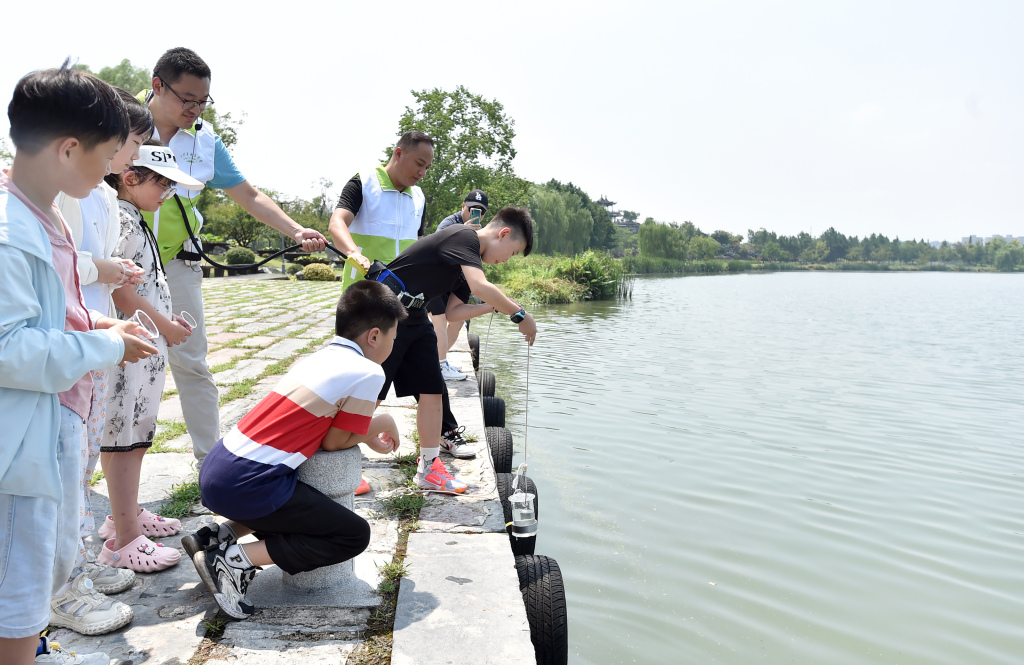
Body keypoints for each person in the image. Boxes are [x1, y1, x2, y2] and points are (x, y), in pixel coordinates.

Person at [0, 63, 157, 665]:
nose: (114, 166)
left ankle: (33, 644)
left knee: (45, 558)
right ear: (70, 149)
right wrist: (106, 346)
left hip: (52, 420)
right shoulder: (12, 233)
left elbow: (51, 314)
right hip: (22, 440)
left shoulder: (45, 218)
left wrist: (98, 323)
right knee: (21, 575)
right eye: (109, 151)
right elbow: (10, 348)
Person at [140, 47, 326, 464]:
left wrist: (296, 229)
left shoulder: (204, 140)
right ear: (158, 86)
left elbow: (248, 194)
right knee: (119, 362)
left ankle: (211, 464)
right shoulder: (117, 119)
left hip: (178, 260)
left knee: (192, 361)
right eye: (187, 99)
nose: (196, 108)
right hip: (122, 261)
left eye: (203, 100)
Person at [186, 281, 406, 619]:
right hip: (249, 484)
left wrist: (363, 434)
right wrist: (383, 421)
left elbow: (330, 433)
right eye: (394, 336)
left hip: (220, 469)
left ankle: (214, 536)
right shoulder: (368, 371)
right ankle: (229, 562)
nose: (394, 344)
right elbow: (334, 442)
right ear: (374, 336)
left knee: (300, 504)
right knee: (352, 534)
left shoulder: (320, 358)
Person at [49, 89, 152, 638]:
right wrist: (103, 269)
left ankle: (77, 565)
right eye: (128, 144)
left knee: (80, 460)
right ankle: (59, 586)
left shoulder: (104, 197)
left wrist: (111, 282)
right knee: (58, 469)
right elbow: (61, 265)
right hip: (65, 346)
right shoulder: (50, 193)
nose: (131, 157)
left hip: (94, 340)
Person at [374, 206, 539, 492]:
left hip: (414, 315)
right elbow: (481, 285)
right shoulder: (465, 237)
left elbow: (453, 312)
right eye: (511, 253)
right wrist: (520, 315)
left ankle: (428, 468)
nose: (505, 261)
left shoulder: (469, 262)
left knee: (433, 390)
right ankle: (338, 455)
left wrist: (494, 306)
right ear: (504, 233)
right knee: (370, 392)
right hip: (383, 311)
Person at [96, 144, 204, 574]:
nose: (168, 191)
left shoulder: (132, 216)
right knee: (125, 436)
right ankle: (125, 539)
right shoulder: (122, 218)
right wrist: (163, 324)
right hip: (130, 344)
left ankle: (123, 513)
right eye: (161, 181)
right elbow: (121, 289)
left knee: (130, 434)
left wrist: (165, 320)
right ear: (130, 176)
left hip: (142, 340)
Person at [429, 189, 489, 382]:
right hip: (433, 277)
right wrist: (464, 230)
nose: (475, 213)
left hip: (454, 282)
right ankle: (439, 365)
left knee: (456, 323)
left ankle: (438, 361)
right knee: (439, 320)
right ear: (463, 206)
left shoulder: (481, 231)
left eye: (480, 211)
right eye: (472, 209)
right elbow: (439, 246)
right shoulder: (450, 223)